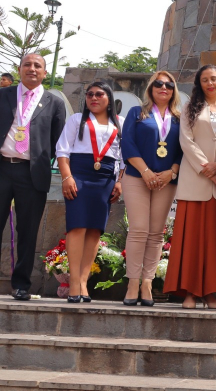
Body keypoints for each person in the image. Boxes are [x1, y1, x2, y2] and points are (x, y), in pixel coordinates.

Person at [164, 65, 216, 309]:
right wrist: (207, 169)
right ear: (199, 83)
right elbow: (186, 141)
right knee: (193, 240)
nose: (210, 83)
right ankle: (190, 292)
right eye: (205, 79)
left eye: (214, 79)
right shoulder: (189, 108)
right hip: (195, 181)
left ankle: (210, 292)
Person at [0, 54, 65, 300]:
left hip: (31, 173)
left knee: (28, 231)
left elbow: (57, 140)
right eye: (27, 64)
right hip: (2, 168)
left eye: (38, 65)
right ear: (19, 69)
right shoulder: (3, 95)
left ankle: (21, 285)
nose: (32, 69)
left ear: (45, 73)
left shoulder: (54, 102)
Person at [56, 82, 124, 302]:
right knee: (76, 227)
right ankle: (74, 281)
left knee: (95, 230)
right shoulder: (77, 120)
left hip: (105, 178)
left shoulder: (120, 123)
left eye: (99, 94)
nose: (93, 98)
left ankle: (84, 282)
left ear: (109, 98)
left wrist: (119, 182)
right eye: (90, 94)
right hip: (79, 175)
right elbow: (62, 150)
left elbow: (123, 158)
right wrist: (67, 177)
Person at [120, 71, 183, 306]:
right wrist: (146, 171)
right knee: (138, 230)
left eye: (169, 84)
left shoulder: (179, 118)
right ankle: (132, 283)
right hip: (137, 177)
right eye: (158, 83)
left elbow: (182, 150)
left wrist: (172, 171)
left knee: (156, 233)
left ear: (174, 90)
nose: (163, 87)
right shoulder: (137, 113)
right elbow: (128, 143)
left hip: (166, 181)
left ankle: (147, 283)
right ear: (151, 88)